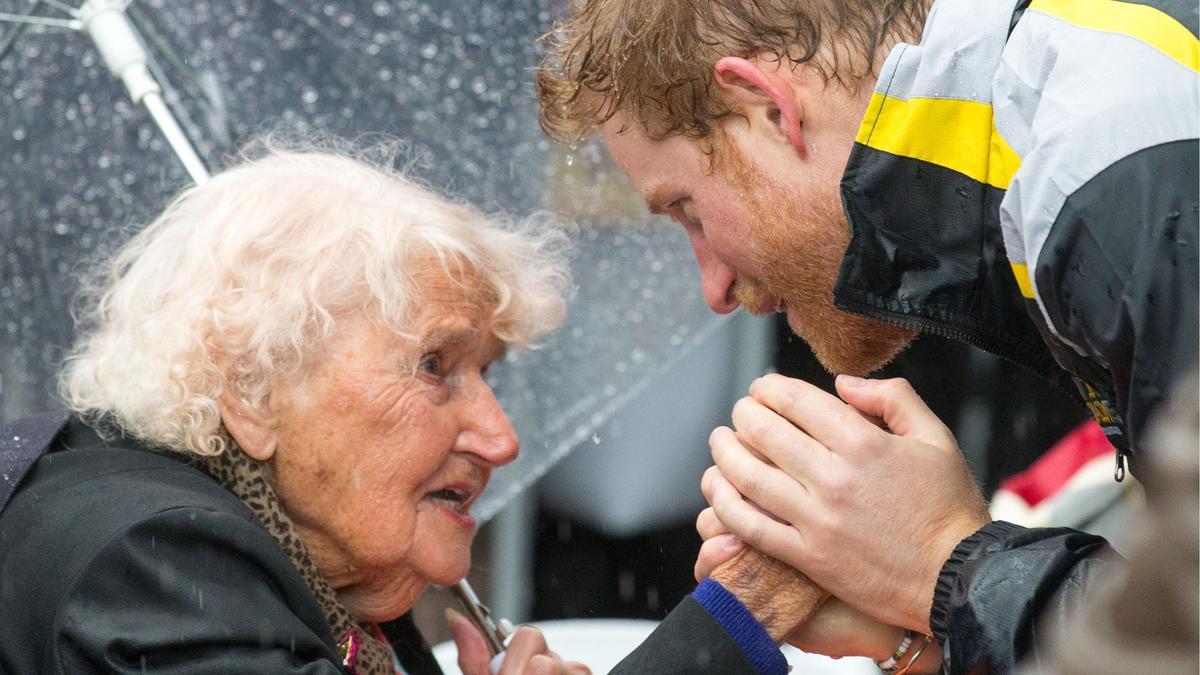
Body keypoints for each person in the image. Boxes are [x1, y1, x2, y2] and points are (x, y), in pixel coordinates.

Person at [536, 0, 1198, 672]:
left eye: (687, 210)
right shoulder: (1077, 117)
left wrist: (949, 561)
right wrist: (919, 626)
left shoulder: (1104, 165)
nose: (714, 287)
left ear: (770, 108)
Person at [0, 143, 589, 675]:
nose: (499, 439)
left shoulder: (326, 566)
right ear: (254, 392)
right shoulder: (160, 562)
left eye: (485, 374)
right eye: (433, 365)